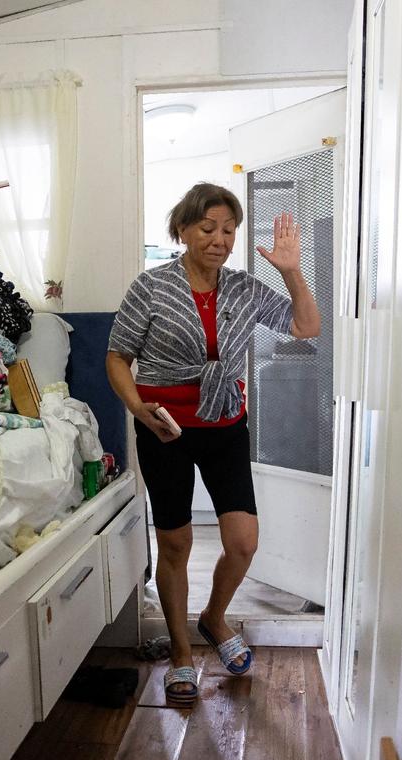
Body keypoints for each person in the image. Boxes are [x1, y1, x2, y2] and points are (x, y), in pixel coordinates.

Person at [106, 183, 321, 706]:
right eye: (208, 228)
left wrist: (291, 270)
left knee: (243, 541)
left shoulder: (245, 289)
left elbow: (307, 325)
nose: (220, 239)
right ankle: (182, 653)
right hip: (165, 430)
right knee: (176, 544)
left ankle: (214, 618)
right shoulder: (150, 288)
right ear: (182, 230)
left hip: (225, 422)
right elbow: (117, 356)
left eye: (229, 230)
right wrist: (137, 409)